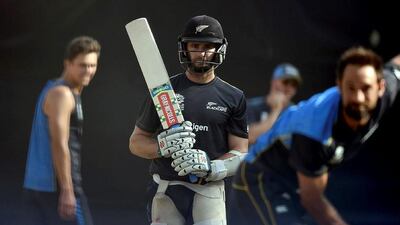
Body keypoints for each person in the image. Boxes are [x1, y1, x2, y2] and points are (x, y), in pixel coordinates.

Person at [229, 46, 400, 225]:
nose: (358, 97)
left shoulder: (386, 92)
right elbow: (313, 200)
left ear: (381, 87)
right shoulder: (311, 128)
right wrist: (275, 112)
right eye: (350, 87)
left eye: (292, 84)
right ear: (339, 85)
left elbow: (395, 66)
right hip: (263, 179)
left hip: (298, 184)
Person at [129, 15, 248, 225]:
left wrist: (212, 167)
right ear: (185, 48)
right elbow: (136, 143)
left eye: (208, 46)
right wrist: (161, 147)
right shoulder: (163, 91)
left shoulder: (233, 97)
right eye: (195, 45)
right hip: (166, 188)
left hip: (209, 190)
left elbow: (241, 151)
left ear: (219, 49)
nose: (201, 53)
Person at [22, 36, 101, 225]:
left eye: (92, 65)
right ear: (68, 63)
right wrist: (67, 190)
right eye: (82, 65)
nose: (88, 71)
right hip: (56, 189)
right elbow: (59, 142)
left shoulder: (57, 89)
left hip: (41, 187)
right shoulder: (62, 94)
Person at [247, 63, 302, 145]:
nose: (289, 88)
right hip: (256, 156)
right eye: (286, 82)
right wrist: (276, 109)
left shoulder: (296, 112)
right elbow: (249, 137)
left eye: (294, 85)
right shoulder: (252, 106)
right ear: (274, 82)